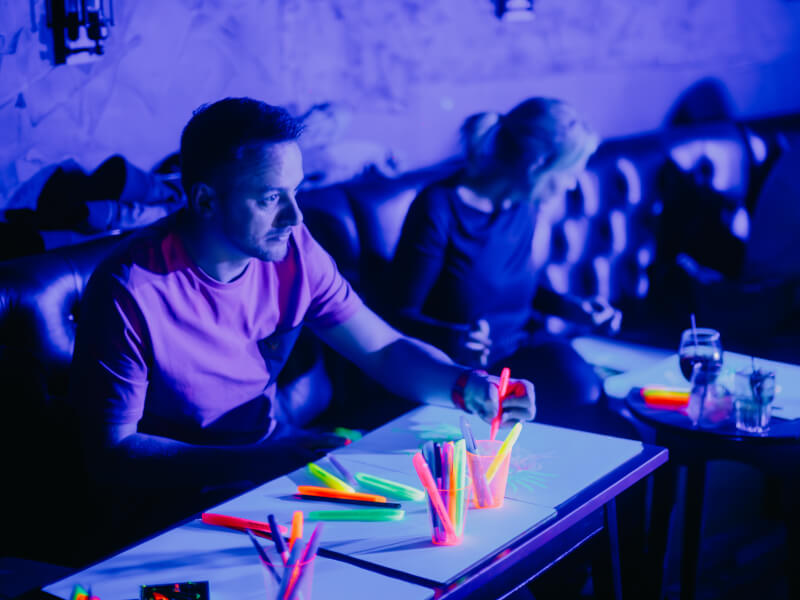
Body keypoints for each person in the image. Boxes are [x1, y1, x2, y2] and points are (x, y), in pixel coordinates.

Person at [68, 98, 534, 554]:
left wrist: (465, 385)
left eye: (297, 191)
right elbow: (114, 453)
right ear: (205, 200)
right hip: (170, 511)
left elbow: (382, 349)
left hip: (265, 475)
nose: (296, 216)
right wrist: (261, 461)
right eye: (272, 198)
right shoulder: (129, 288)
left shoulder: (295, 249)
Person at [390, 97, 619, 427]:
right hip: (459, 371)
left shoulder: (524, 203)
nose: (571, 184)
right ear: (536, 166)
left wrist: (571, 308)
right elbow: (395, 314)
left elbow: (512, 284)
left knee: (592, 397)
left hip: (519, 353)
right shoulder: (438, 208)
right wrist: (454, 337)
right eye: (569, 173)